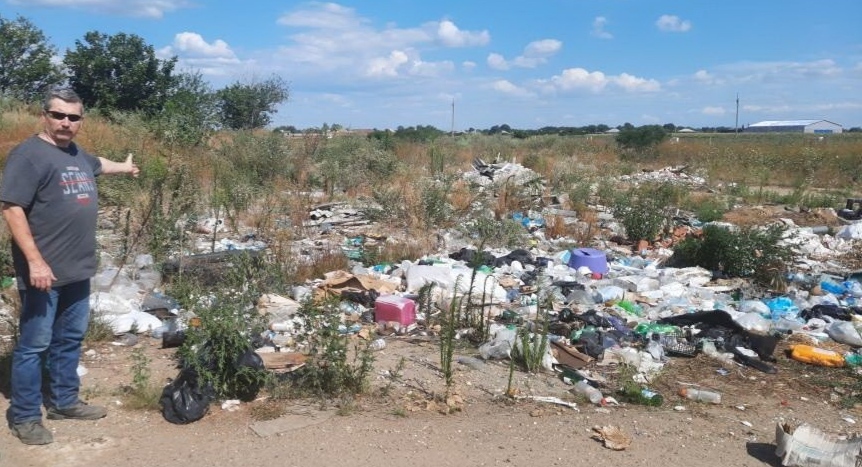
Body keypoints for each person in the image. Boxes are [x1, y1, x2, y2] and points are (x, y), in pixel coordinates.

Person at [0, 87, 140, 445]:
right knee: (34, 345)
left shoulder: (75, 153)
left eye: (73, 117)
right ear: (44, 116)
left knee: (69, 339)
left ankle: (64, 402)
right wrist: (35, 262)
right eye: (58, 115)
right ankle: (26, 415)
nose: (65, 122)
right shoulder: (29, 156)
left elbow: (98, 165)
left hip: (78, 269)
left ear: (80, 121)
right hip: (44, 272)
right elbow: (12, 208)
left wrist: (124, 167)